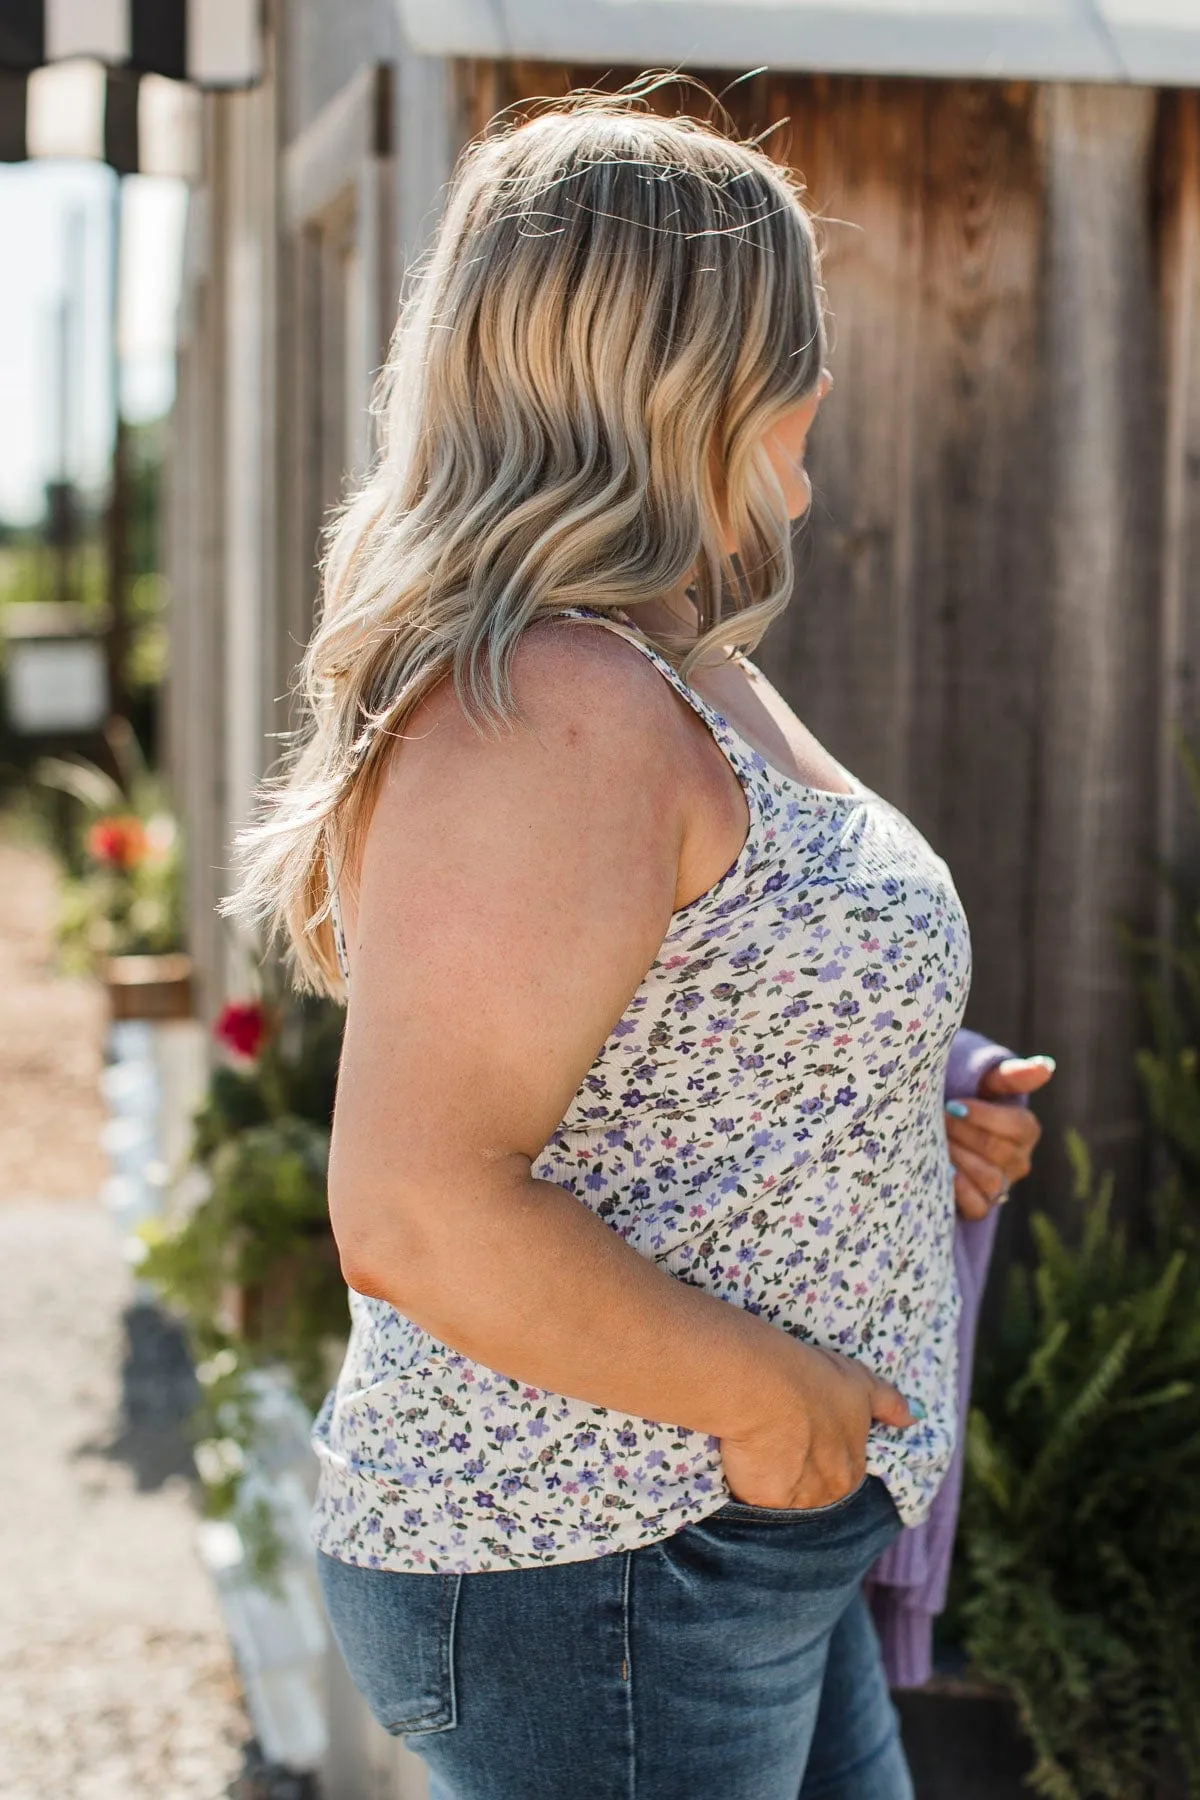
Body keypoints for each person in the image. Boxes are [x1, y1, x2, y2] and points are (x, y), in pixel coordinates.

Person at [228, 89, 1052, 1800]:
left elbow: (682, 1028)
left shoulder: (669, 667)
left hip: (710, 1529)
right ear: (697, 363)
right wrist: (772, 1403)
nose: (824, 375)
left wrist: (894, 1119)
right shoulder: (554, 710)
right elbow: (415, 1206)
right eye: (795, 333)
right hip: (613, 1551)